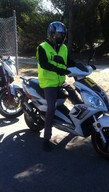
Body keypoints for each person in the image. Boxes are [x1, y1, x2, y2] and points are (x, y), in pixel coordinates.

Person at [36, 21, 82, 152]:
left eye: (63, 35)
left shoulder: (64, 48)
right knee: (51, 108)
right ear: (51, 34)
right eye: (58, 34)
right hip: (48, 83)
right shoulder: (42, 47)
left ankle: (78, 125)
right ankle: (46, 138)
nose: (60, 37)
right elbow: (45, 64)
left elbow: (69, 62)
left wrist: (81, 66)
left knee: (77, 100)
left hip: (61, 82)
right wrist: (61, 70)